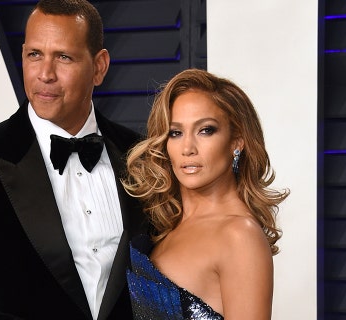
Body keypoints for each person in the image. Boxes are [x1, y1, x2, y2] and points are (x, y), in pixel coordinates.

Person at [0, 1, 146, 319]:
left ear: (99, 67)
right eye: (35, 55)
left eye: (63, 57)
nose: (45, 74)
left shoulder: (142, 156)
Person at [122, 68, 289, 319]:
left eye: (206, 130)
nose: (188, 148)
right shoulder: (167, 225)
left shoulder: (239, 235)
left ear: (237, 141)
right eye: (176, 133)